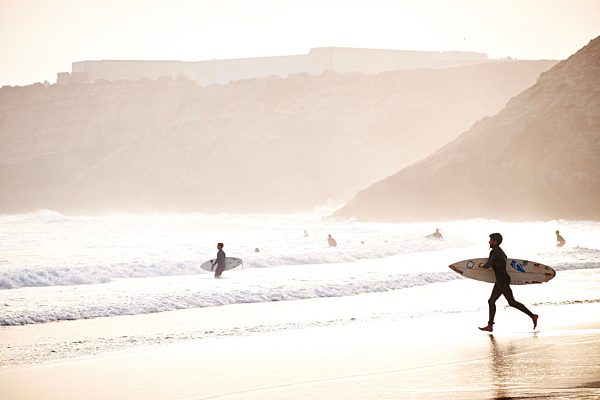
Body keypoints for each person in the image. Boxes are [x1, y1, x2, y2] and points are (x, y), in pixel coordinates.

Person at [479, 233, 538, 332]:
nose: (489, 242)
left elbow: (488, 265)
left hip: (502, 281)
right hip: (502, 280)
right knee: (491, 301)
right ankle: (490, 325)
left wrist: (481, 266)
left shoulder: (494, 252)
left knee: (511, 302)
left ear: (495, 241)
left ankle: (533, 316)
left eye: (491, 240)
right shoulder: (501, 251)